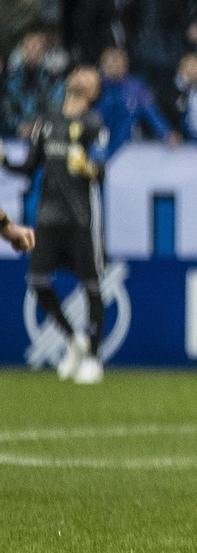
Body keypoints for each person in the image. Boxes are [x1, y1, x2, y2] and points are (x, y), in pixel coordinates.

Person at [6, 66, 109, 384]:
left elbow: (101, 170)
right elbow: (29, 167)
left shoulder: (93, 124)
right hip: (48, 216)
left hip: (80, 217)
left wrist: (87, 167)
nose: (80, 76)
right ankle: (73, 339)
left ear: (93, 91)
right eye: (79, 73)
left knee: (91, 285)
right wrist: (5, 162)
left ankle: (93, 357)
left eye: (89, 77)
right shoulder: (47, 120)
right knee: (37, 280)